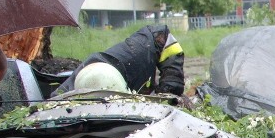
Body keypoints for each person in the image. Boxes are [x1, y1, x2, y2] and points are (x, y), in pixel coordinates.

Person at [52, 24, 184, 97]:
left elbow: (161, 36)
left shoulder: (141, 51)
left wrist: (168, 93)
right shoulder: (76, 84)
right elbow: (54, 101)